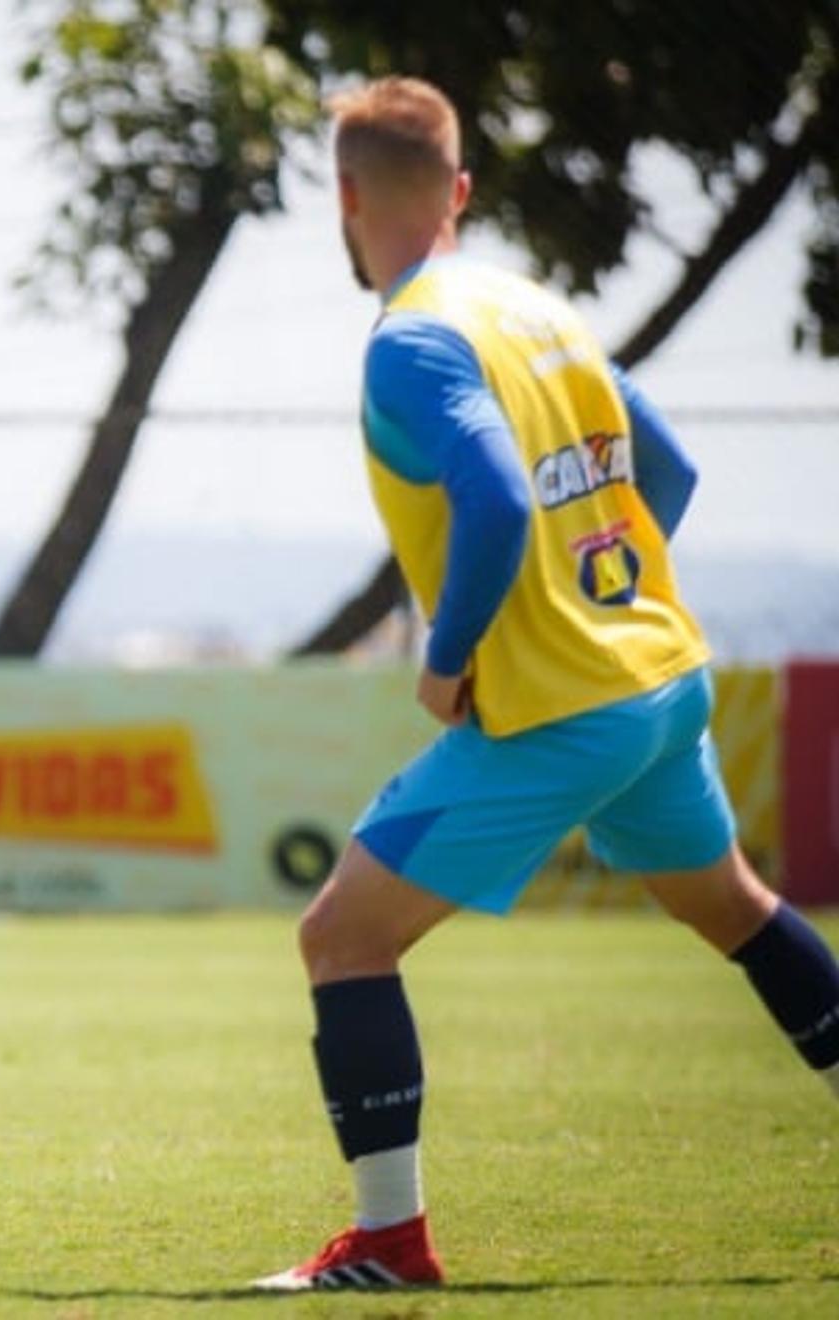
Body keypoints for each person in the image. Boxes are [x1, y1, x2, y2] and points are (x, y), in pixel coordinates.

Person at [254, 78, 839, 1291]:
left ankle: (390, 1246)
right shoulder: (538, 311)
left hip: (563, 712)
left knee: (342, 938)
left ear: (346, 198)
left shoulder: (411, 342)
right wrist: (605, 602)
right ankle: (385, 1243)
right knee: (735, 907)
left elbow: (497, 495)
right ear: (460, 192)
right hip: (663, 680)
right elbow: (667, 471)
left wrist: (453, 651)